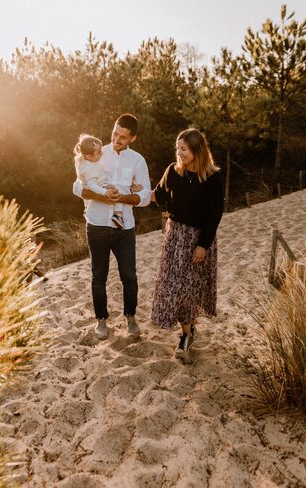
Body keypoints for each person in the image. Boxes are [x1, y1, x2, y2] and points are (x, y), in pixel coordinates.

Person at [73, 114, 151, 340]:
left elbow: (145, 195)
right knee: (99, 276)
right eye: (115, 133)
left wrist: (125, 197)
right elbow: (77, 187)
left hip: (124, 228)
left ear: (132, 138)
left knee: (129, 276)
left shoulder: (137, 161)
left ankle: (131, 318)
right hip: (97, 224)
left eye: (122, 137)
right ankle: (101, 321)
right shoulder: (96, 151)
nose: (116, 139)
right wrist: (101, 197)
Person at [151, 128, 224, 362]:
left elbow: (214, 214)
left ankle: (186, 336)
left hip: (198, 239)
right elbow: (159, 196)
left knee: (189, 289)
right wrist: (132, 193)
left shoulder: (212, 177)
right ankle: (187, 332)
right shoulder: (173, 171)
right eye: (178, 148)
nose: (179, 153)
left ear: (197, 149)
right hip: (174, 238)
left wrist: (203, 245)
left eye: (184, 149)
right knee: (176, 286)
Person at [74, 134, 125, 229]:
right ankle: (117, 216)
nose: (102, 153)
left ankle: (86, 210)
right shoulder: (89, 168)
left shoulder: (84, 161)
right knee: (115, 191)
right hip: (97, 185)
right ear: (89, 156)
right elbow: (91, 185)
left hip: (96, 183)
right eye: (99, 152)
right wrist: (104, 192)